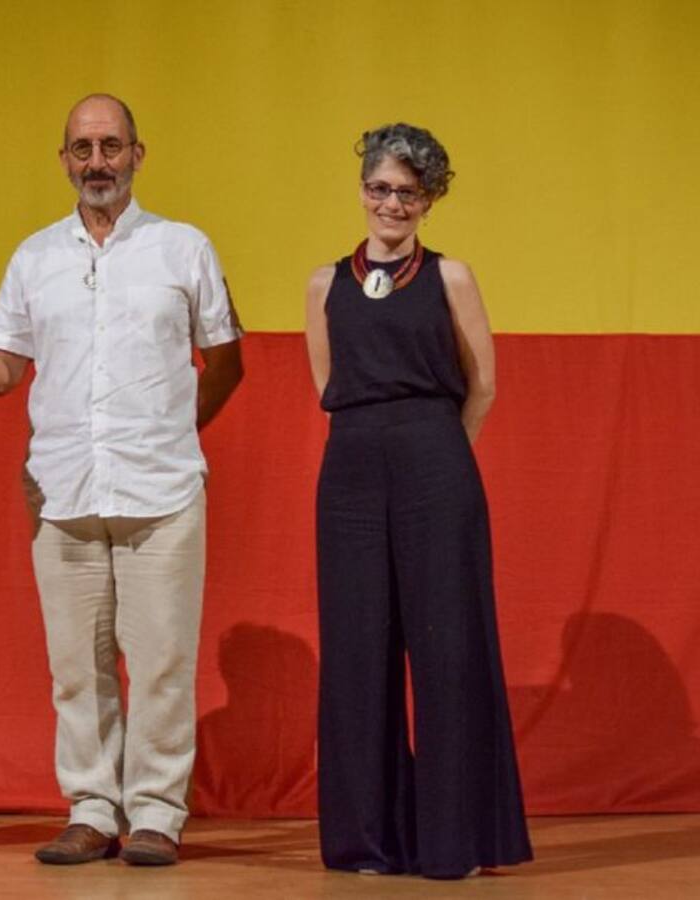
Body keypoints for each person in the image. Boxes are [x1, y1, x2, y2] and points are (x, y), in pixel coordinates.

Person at [0, 94, 243, 866]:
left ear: (137, 155)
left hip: (163, 491)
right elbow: (2, 373)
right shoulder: (34, 258)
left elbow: (226, 359)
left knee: (160, 662)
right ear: (63, 160)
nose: (97, 161)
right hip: (62, 493)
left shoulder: (182, 247)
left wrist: (175, 431)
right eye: (83, 148)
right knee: (75, 668)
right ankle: (92, 809)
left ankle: (155, 813)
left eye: (111, 146)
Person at [304, 123, 533, 879]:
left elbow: (485, 383)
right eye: (380, 188)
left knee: (448, 649)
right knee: (358, 651)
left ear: (429, 200)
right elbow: (327, 385)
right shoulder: (324, 282)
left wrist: (439, 453)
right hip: (352, 473)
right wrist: (378, 446)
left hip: (436, 460)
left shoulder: (452, 277)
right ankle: (368, 842)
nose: (391, 204)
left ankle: (453, 842)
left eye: (408, 192)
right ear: (361, 189)